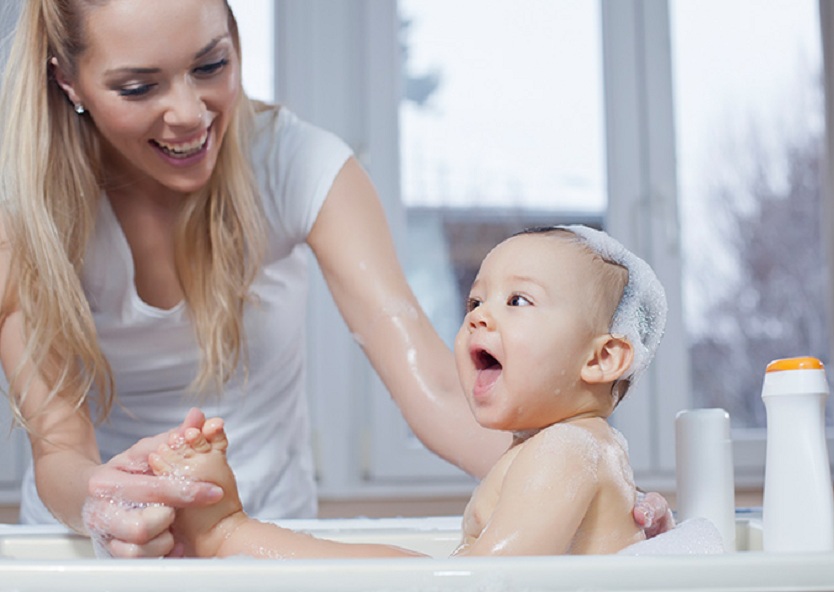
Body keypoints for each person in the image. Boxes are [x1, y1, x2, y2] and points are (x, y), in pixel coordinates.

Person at [0, 0, 671, 558]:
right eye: (138, 87)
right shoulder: (21, 214)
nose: (189, 113)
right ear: (68, 79)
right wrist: (105, 500)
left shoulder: (296, 164)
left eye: (210, 65)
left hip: (268, 541)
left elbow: (439, 386)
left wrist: (586, 487)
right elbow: (59, 451)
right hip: (85, 548)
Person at [147, 225, 666, 558]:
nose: (480, 316)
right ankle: (227, 533)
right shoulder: (574, 449)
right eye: (476, 302)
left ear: (602, 359)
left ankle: (227, 533)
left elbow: (488, 584)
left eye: (518, 301)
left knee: (386, 571)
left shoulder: (564, 450)